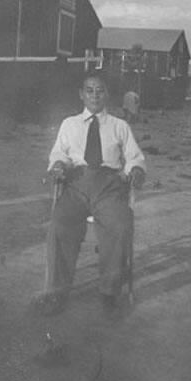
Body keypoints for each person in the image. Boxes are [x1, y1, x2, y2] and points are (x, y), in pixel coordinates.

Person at [40, 71, 146, 315]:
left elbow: (134, 157)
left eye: (100, 91)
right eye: (90, 90)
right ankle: (57, 291)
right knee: (59, 225)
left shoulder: (120, 126)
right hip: (76, 184)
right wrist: (58, 165)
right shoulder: (70, 124)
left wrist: (136, 169)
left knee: (120, 226)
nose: (95, 95)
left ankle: (109, 292)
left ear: (107, 94)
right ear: (81, 94)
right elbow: (59, 153)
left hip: (109, 188)